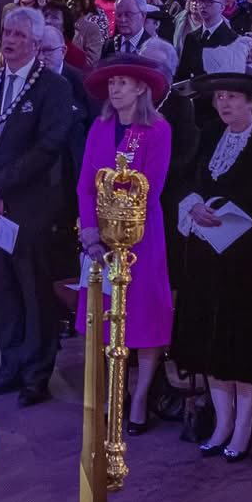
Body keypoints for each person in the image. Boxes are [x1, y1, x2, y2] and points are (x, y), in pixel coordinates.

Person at [0, 7, 77, 406]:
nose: (9, 41)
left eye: (18, 35)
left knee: (33, 291)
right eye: (7, 33)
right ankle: (9, 365)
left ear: (34, 44)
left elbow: (48, 147)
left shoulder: (52, 87)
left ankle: (36, 373)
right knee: (3, 288)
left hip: (30, 205)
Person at [172, 72, 252, 461]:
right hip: (205, 254)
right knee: (211, 341)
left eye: (233, 97)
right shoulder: (206, 133)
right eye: (220, 97)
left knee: (243, 343)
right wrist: (194, 206)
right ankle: (222, 422)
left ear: (251, 102)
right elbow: (187, 179)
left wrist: (223, 212)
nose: (224, 104)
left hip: (245, 257)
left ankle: (243, 425)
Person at [77, 55, 174, 431]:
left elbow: (151, 187)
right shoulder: (100, 126)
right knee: (103, 318)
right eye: (112, 83)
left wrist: (116, 229)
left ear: (140, 88)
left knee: (144, 317)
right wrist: (90, 230)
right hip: (98, 239)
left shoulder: (158, 129)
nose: (115, 89)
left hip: (141, 236)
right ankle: (109, 396)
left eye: (122, 83)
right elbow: (85, 183)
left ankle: (140, 397)